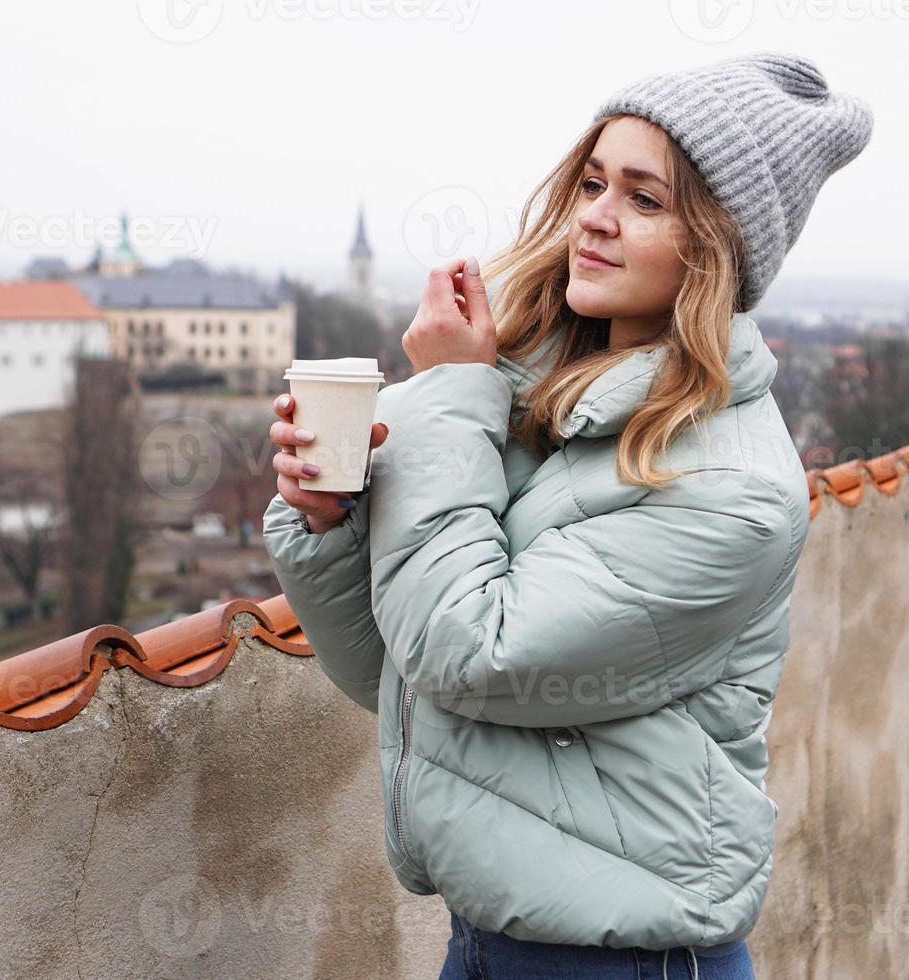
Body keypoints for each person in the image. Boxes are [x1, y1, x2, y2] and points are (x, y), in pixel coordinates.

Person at [263, 50, 873, 980]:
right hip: (486, 943)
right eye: (592, 182)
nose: (593, 215)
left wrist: (450, 393)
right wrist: (329, 524)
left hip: (627, 961)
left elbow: (461, 653)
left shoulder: (732, 492)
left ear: (718, 249)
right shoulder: (539, 402)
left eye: (644, 198)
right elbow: (402, 680)